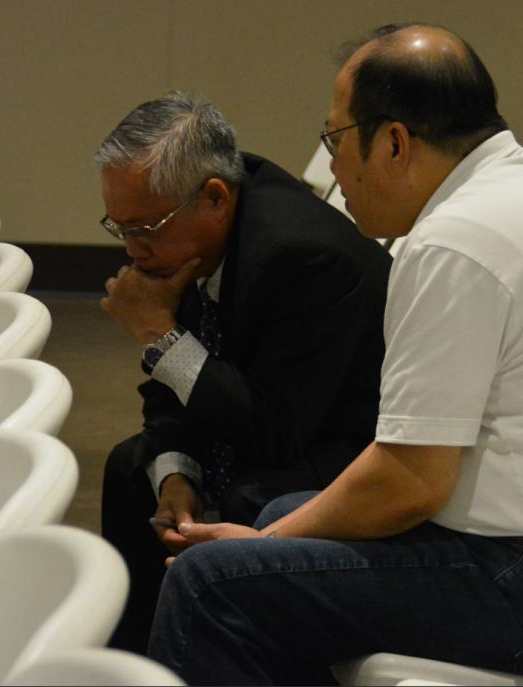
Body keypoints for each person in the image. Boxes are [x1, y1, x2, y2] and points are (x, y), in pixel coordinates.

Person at [144, 23, 523, 685]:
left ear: (395, 142)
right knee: (277, 516)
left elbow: (410, 483)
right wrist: (271, 538)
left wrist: (264, 548)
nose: (334, 167)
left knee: (210, 583)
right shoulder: (517, 195)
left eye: (336, 139)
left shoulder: (457, 241)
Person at [96, 92, 392, 653]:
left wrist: (160, 334)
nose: (132, 249)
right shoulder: (189, 239)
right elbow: (172, 384)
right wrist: (177, 474)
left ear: (214, 197)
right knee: (133, 470)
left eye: (145, 227)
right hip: (262, 419)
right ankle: (136, 665)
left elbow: (273, 430)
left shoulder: (302, 258)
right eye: (120, 227)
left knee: (248, 497)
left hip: (348, 449)